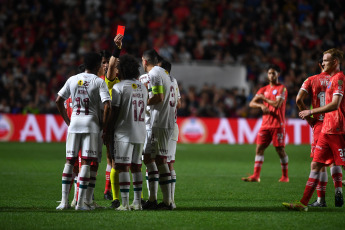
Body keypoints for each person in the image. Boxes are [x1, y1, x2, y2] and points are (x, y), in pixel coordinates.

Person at [283, 48, 345, 211]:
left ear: (335, 62)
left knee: (339, 163)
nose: (322, 62)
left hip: (337, 128)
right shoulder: (331, 79)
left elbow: (336, 104)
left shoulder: (339, 78)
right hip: (326, 128)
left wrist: (311, 111)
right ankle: (303, 203)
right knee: (316, 165)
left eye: (325, 60)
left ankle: (330, 193)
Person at [55, 52, 111, 210]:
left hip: (74, 124)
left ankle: (64, 202)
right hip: (91, 124)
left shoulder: (72, 79)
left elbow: (58, 100)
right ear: (96, 66)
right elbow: (107, 105)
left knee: (70, 161)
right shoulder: (98, 82)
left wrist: (68, 121)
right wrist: (103, 124)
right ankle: (81, 203)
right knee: (86, 162)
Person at [296, 58, 343, 207]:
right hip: (336, 122)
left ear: (319, 65)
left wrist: (310, 118)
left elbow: (298, 99)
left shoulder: (311, 80)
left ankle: (321, 200)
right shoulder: (336, 79)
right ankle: (338, 189)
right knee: (334, 161)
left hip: (319, 124)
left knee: (319, 163)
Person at [105, 54, 148, 210]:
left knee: (122, 167)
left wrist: (107, 130)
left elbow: (114, 112)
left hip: (123, 133)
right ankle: (137, 202)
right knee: (137, 167)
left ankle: (124, 204)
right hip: (140, 132)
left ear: (122, 70)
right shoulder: (143, 87)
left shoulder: (119, 87)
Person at [141, 49, 178, 210]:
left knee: (156, 160)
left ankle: (165, 201)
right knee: (152, 158)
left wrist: (142, 101)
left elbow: (158, 97)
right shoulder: (165, 73)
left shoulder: (154, 74)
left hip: (158, 123)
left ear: (144, 61)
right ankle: (155, 199)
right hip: (165, 121)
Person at [242, 64, 289, 183]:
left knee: (280, 150)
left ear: (278, 74)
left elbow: (277, 104)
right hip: (265, 125)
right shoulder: (264, 89)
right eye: (269, 73)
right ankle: (256, 176)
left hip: (277, 124)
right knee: (259, 149)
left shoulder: (282, 89)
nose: (271, 75)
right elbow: (251, 103)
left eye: (273, 73)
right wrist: (261, 105)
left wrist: (265, 99)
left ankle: (285, 176)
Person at [98, 34, 123, 208]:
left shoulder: (117, 79)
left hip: (116, 122)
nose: (107, 64)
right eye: (104, 62)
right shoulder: (101, 81)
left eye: (109, 61)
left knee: (114, 159)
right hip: (104, 122)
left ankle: (110, 190)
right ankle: (108, 190)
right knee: (109, 157)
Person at [160, 59, 181, 209]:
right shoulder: (174, 82)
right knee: (170, 163)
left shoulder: (160, 81)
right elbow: (179, 104)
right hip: (173, 126)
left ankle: (155, 199)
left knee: (153, 163)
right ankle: (171, 201)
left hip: (160, 126)